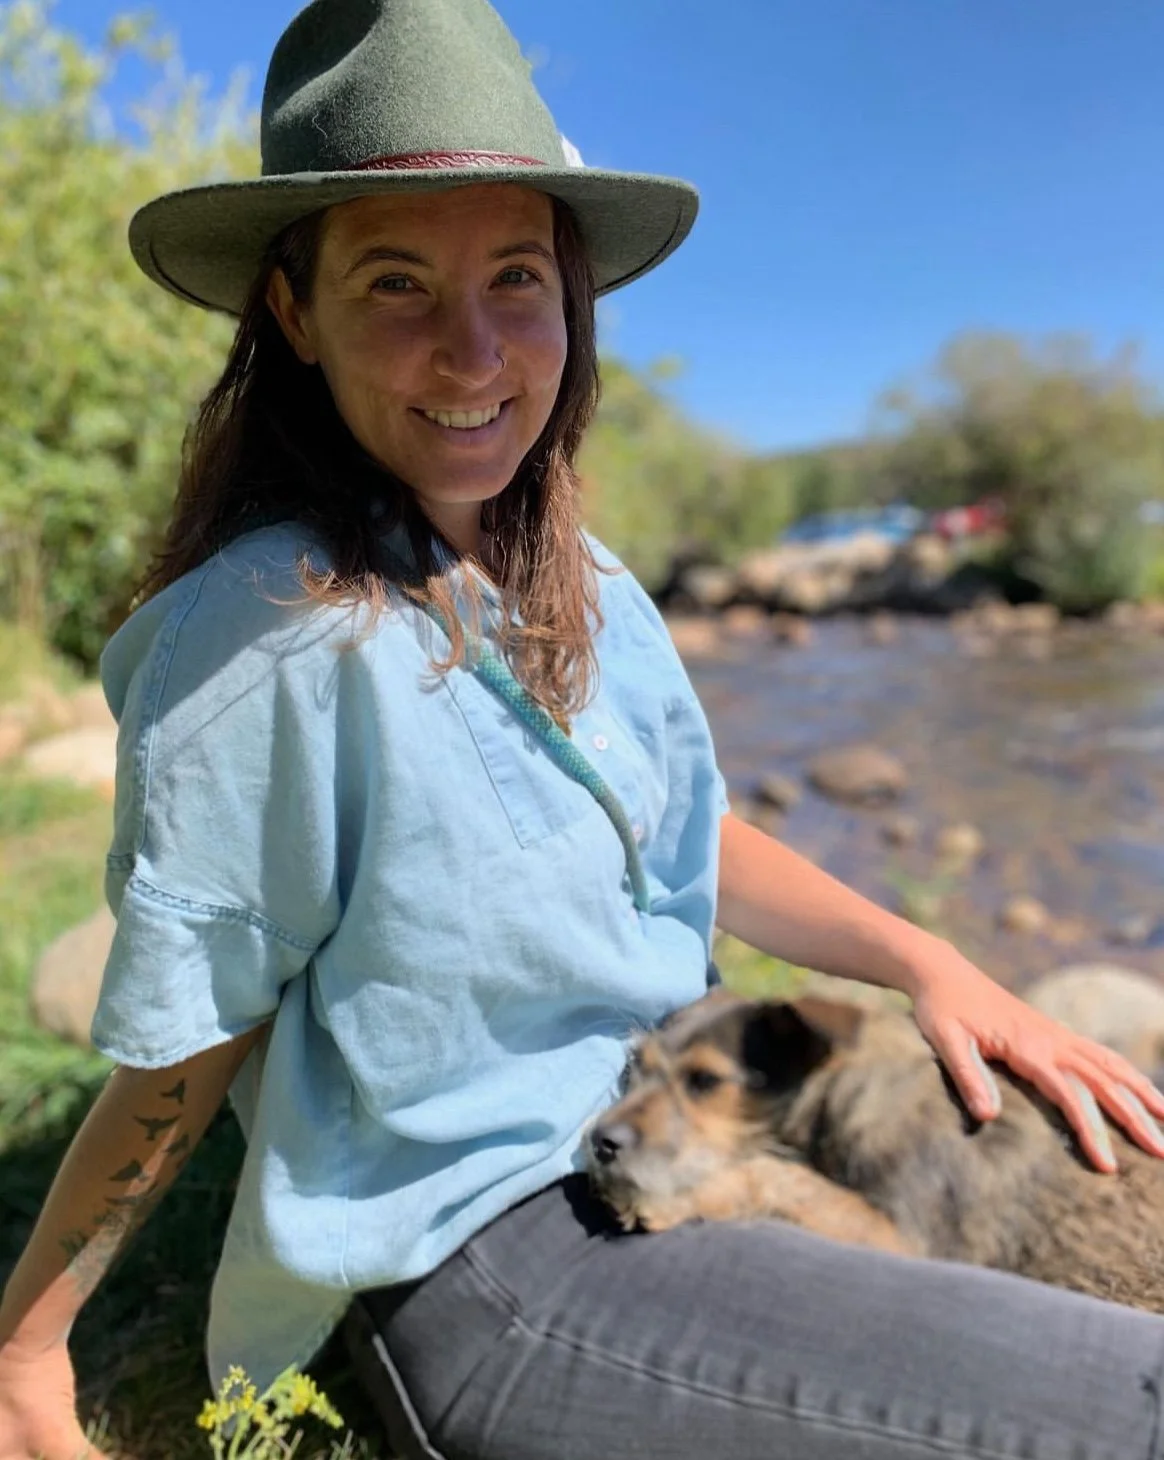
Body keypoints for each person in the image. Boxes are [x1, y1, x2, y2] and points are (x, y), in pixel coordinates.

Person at [2, 2, 1164, 1457]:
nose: (473, 349)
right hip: (497, 1262)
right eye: (396, 282)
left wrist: (937, 963)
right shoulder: (263, 639)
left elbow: (685, 836)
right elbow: (198, 1027)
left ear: (572, 295)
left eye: (516, 276)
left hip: (655, 1121)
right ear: (293, 314)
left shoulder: (584, 580)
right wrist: (29, 1348)